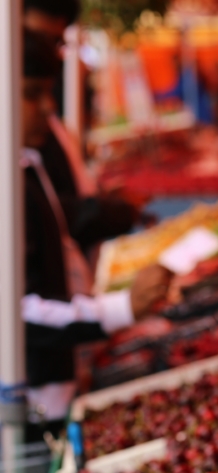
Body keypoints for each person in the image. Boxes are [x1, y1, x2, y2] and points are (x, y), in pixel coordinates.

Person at [22, 30, 171, 427]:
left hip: (57, 377)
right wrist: (120, 309)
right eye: (31, 94)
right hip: (31, 396)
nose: (47, 108)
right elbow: (18, 313)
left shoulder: (27, 165)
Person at [23, 0, 139, 253]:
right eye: (40, 38)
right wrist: (110, 212)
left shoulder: (44, 122)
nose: (51, 54)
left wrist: (99, 200)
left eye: (58, 43)